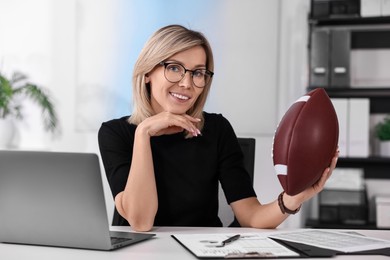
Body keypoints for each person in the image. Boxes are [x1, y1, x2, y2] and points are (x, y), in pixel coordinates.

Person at [98, 24, 338, 232]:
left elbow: (251, 216)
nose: (186, 83)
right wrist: (143, 134)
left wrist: (292, 200)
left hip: (202, 250)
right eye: (174, 68)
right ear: (148, 72)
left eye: (198, 73)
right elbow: (140, 222)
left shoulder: (217, 129)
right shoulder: (115, 134)